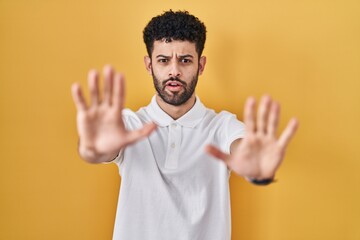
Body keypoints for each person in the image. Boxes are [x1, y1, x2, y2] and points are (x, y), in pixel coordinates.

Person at [71, 10, 298, 240]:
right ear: (149, 65)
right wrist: (92, 148)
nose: (174, 71)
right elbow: (95, 150)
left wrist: (256, 166)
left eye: (185, 60)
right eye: (163, 60)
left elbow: (243, 149)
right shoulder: (129, 125)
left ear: (201, 65)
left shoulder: (222, 127)